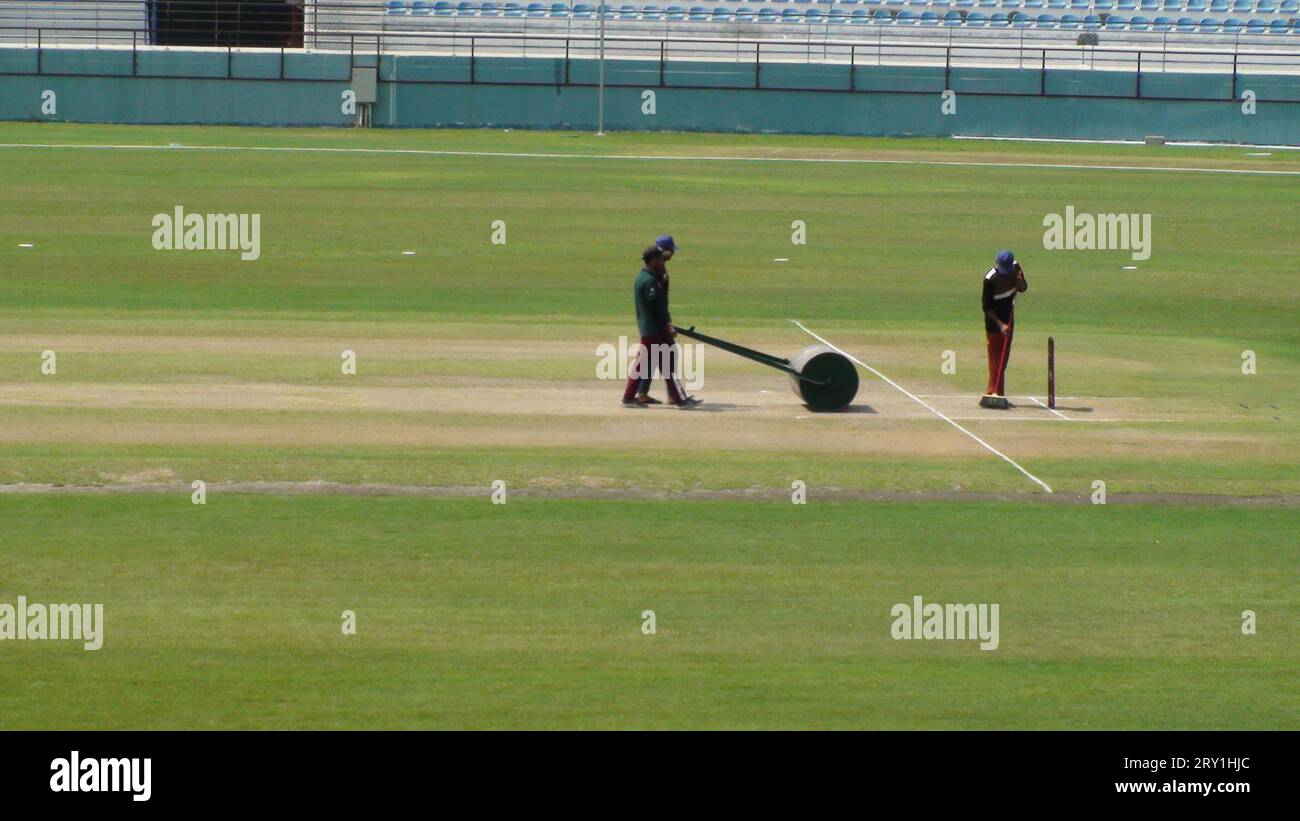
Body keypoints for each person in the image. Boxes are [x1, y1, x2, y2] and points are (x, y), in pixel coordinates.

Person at [622, 245, 701, 408]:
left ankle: (628, 397)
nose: (661, 261)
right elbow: (655, 308)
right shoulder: (650, 281)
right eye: (658, 258)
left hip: (648, 329)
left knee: (642, 364)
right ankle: (678, 399)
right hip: (655, 331)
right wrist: (667, 325)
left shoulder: (641, 277)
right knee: (667, 364)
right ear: (651, 261)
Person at [980, 250, 1028, 407]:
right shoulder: (989, 280)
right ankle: (995, 393)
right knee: (996, 360)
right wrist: (1001, 325)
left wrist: (1019, 283)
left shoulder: (1015, 268)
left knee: (1004, 359)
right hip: (994, 324)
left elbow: (1023, 288)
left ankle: (994, 392)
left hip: (1009, 320)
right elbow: (986, 307)